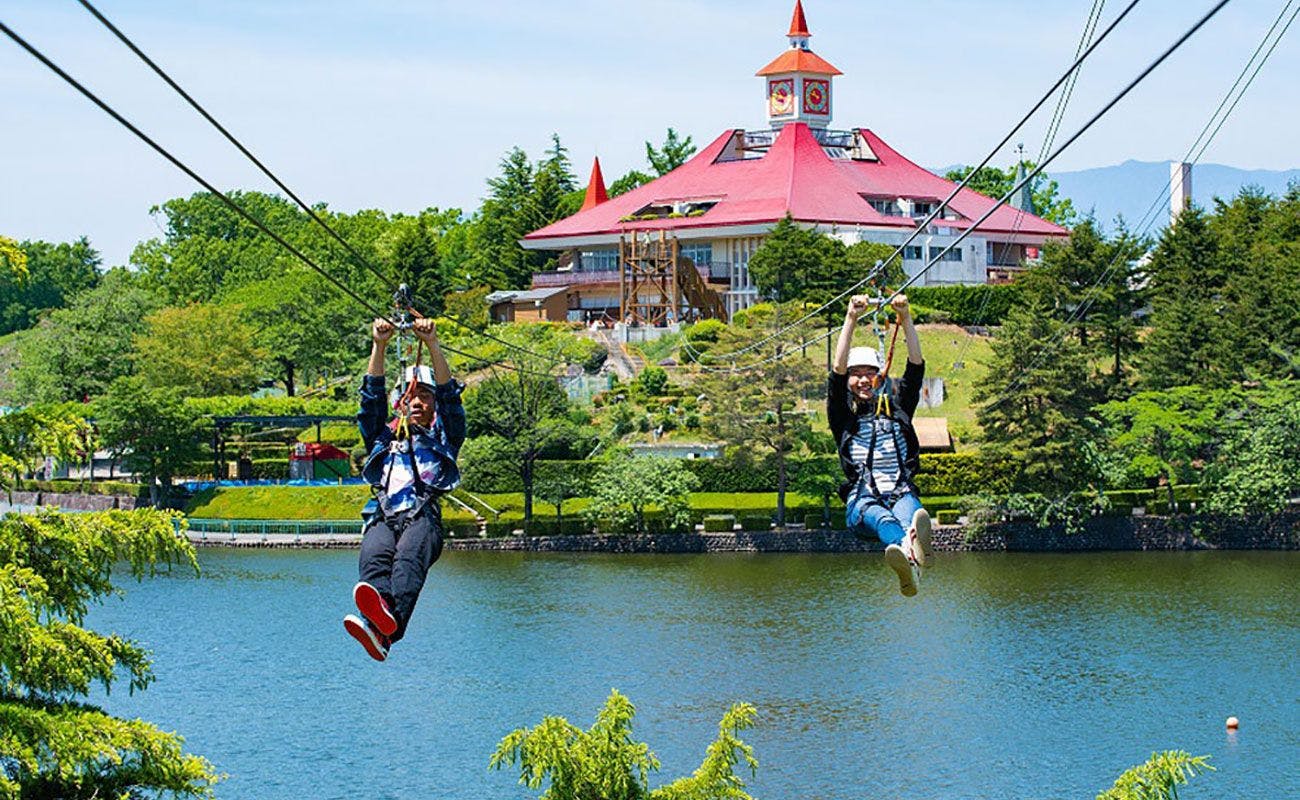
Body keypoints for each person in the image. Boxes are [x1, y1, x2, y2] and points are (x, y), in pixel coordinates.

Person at [343, 316, 465, 661]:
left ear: (433, 406)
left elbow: (450, 400)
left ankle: (389, 628)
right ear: (400, 404)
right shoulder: (383, 437)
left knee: (408, 563)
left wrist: (433, 345)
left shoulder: (444, 436)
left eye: (424, 397)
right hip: (384, 514)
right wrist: (378, 345)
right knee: (372, 559)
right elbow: (371, 402)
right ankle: (377, 627)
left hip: (421, 517)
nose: (416, 402)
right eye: (410, 397)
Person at [828, 294, 933, 596]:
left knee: (913, 517)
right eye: (856, 375)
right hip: (863, 503)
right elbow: (836, 371)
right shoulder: (843, 417)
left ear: (880, 377)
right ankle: (908, 548)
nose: (862, 380)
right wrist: (851, 318)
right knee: (885, 519)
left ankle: (910, 560)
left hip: (900, 492)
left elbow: (915, 365)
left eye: (869, 374)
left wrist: (906, 318)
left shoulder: (899, 408)